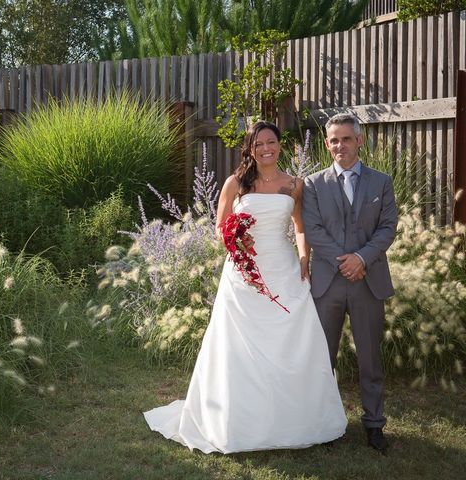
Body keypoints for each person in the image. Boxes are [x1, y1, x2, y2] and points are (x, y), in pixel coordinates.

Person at [143, 121, 347, 454]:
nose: (266, 148)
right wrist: (236, 244)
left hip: (282, 270)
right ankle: (237, 420)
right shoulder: (235, 183)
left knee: (290, 339)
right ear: (250, 149)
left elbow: (299, 228)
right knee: (239, 344)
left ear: (280, 145)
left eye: (271, 142)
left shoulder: (294, 185)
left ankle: (293, 418)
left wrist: (304, 257)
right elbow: (220, 228)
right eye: (259, 144)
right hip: (243, 273)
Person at [301, 113, 398, 454]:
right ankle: (321, 424)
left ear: (360, 141)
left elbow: (387, 228)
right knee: (321, 358)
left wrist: (362, 259)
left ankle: (374, 425)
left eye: (346, 138)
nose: (339, 145)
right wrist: (346, 261)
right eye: (333, 140)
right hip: (328, 283)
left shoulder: (381, 182)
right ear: (327, 145)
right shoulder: (313, 184)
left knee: (370, 359)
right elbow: (313, 231)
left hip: (367, 281)